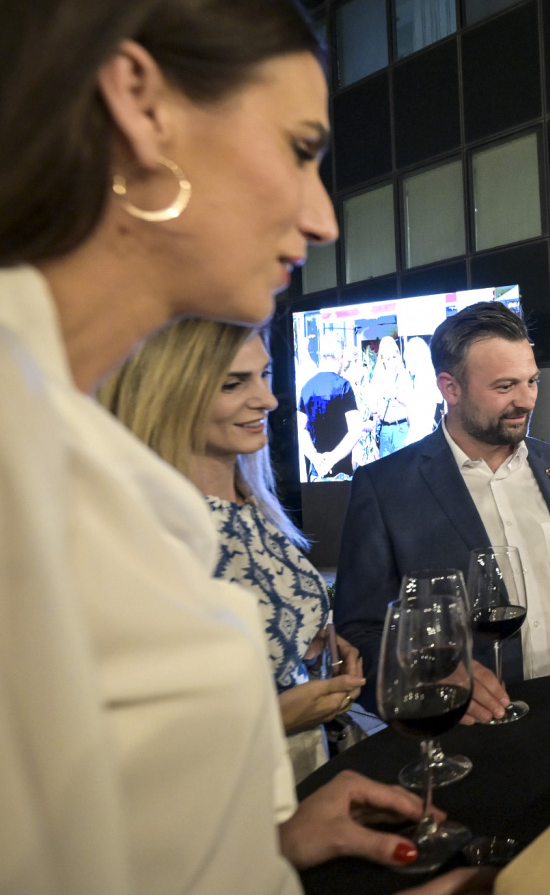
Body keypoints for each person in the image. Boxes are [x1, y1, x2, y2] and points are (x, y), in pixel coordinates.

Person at [0, 0, 487, 891]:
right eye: (299, 148)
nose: (321, 216)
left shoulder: (59, 436)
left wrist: (266, 842)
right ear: (141, 106)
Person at [100, 319, 366, 780]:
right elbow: (129, 730)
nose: (268, 399)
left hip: (309, 773)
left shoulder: (254, 504)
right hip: (229, 792)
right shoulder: (149, 529)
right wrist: (275, 718)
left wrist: (314, 646)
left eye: (264, 375)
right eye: (233, 383)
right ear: (168, 394)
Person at [335, 301, 550, 714]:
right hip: (470, 730)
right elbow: (359, 633)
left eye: (531, 381)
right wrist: (427, 681)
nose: (526, 400)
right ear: (450, 389)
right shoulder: (385, 488)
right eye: (505, 387)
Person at [298, 330, 365, 479]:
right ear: (340, 355)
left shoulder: (307, 387)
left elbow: (300, 429)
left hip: (317, 472)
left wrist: (315, 458)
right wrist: (332, 459)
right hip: (341, 471)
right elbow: (355, 430)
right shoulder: (343, 386)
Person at [369, 334, 418, 457]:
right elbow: (374, 412)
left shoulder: (404, 375)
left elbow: (411, 405)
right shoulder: (377, 378)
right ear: (382, 358)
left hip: (401, 428)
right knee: (386, 467)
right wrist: (373, 441)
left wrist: (399, 398)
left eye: (394, 357)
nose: (391, 361)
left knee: (404, 465)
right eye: (388, 358)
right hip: (384, 430)